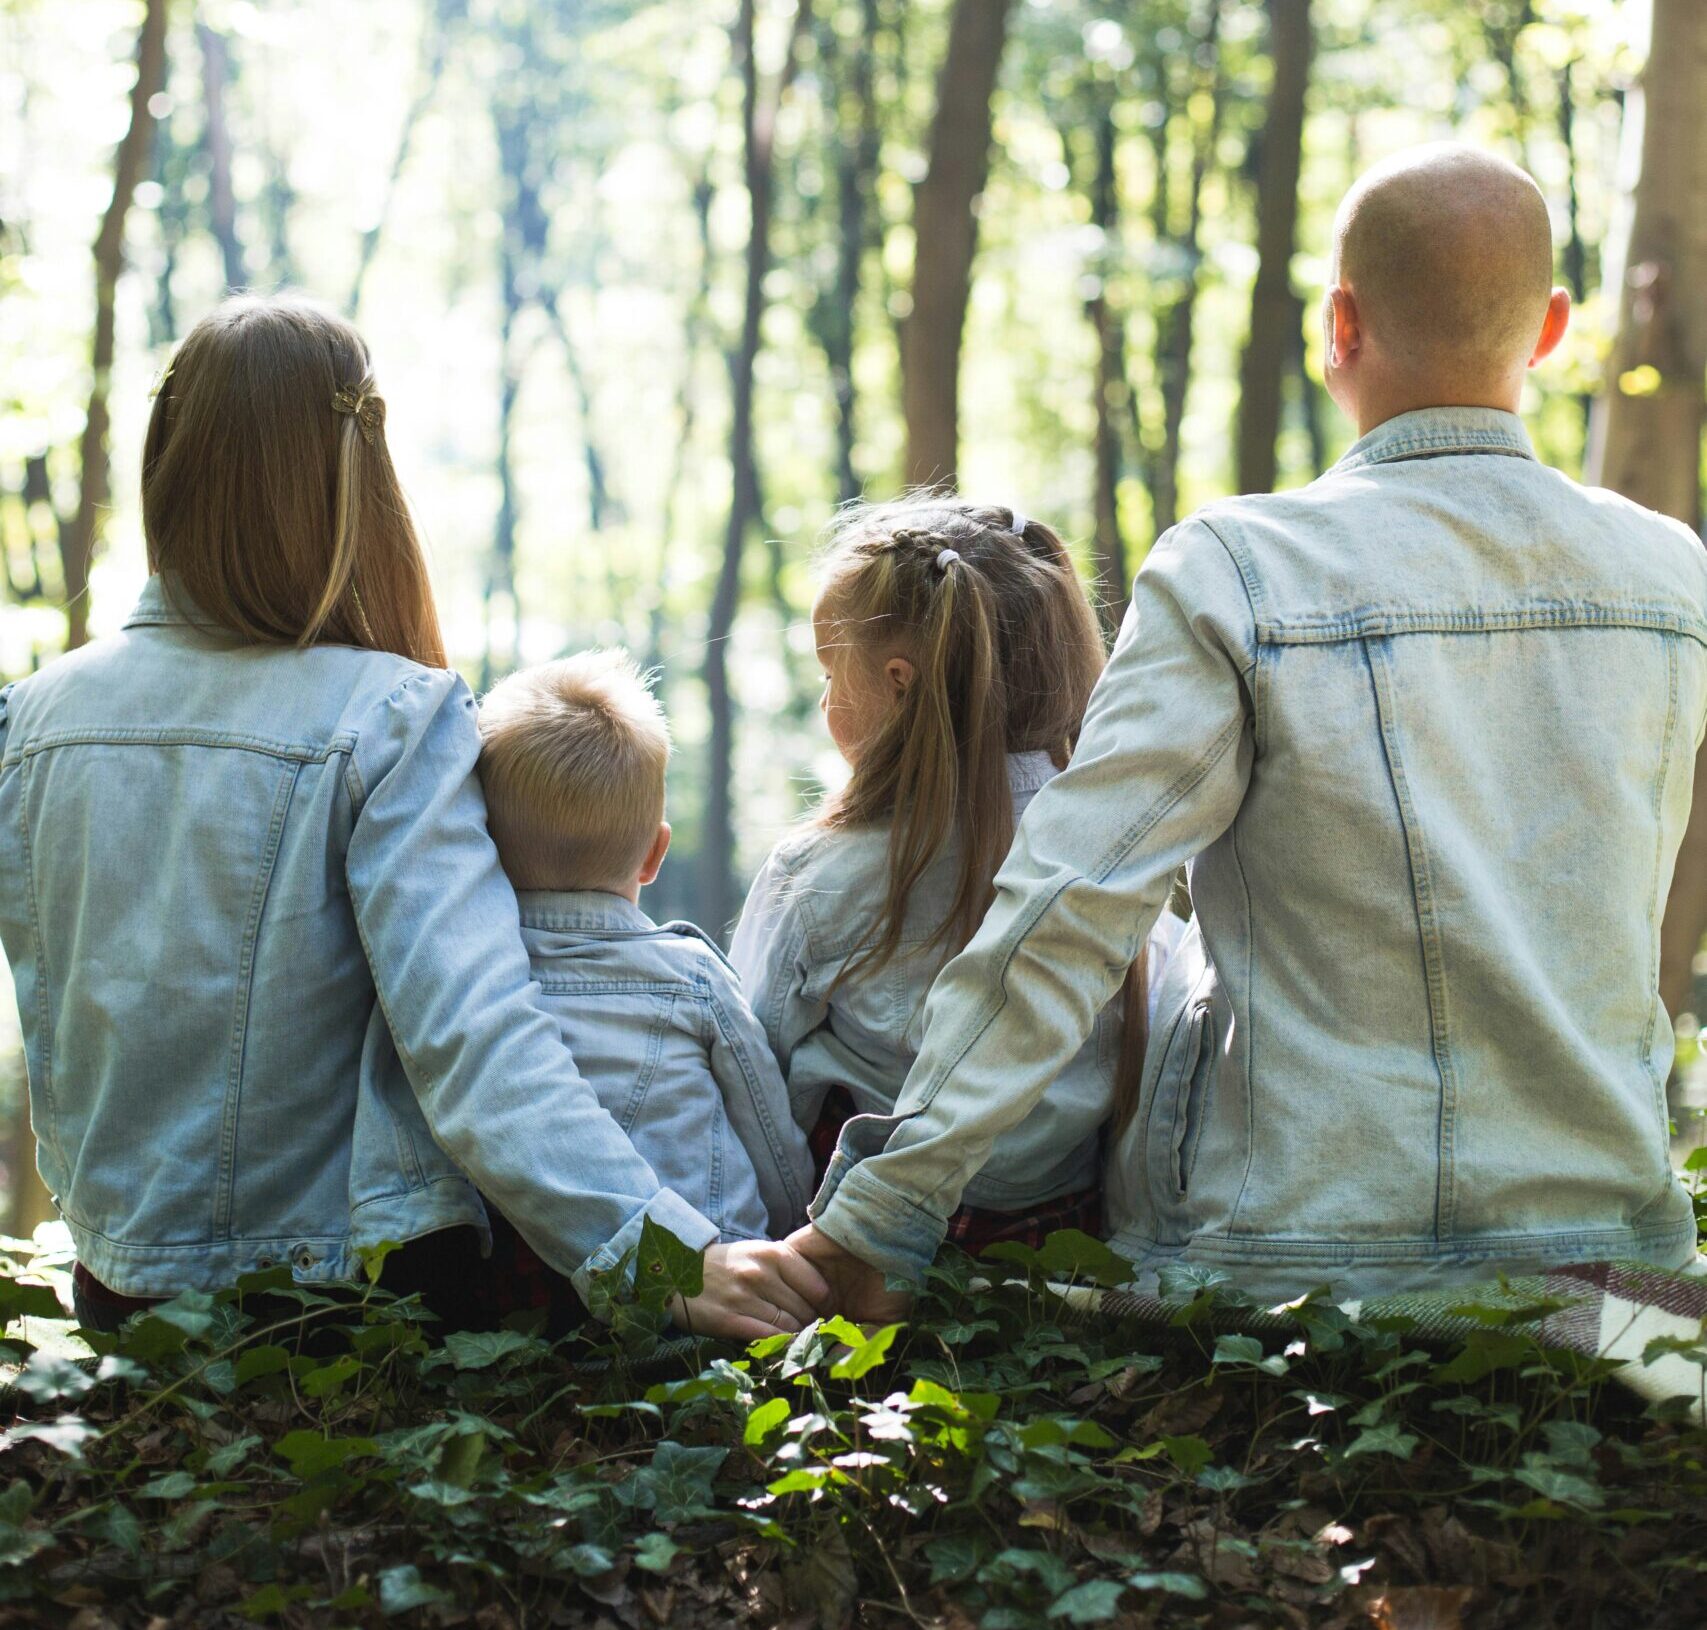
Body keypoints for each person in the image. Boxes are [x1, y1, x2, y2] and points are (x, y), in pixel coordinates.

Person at [788, 144, 1707, 1314]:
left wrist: (885, 1212)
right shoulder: (1672, 577)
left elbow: (1071, 905)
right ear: (1552, 331)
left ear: (1338, 324)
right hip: (1612, 1264)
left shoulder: (1239, 570)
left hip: (1289, 1260)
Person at [0, 294, 828, 1341]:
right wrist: (664, 1255)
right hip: (334, 1308)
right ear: (356, 478)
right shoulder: (390, 716)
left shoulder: (28, 719)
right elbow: (474, 1039)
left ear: (168, 458)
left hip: (119, 1296)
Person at [732, 500, 1182, 1251]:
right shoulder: (1118, 860)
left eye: (828, 672)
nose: (822, 700)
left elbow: (752, 1073)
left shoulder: (818, 874)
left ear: (898, 683)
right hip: (1062, 1242)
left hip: (852, 1244)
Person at [475, 649, 813, 1248]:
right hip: (713, 1275)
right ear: (655, 855)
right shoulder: (692, 978)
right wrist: (790, 1233)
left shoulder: (468, 983)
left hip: (534, 1286)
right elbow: (771, 1139)